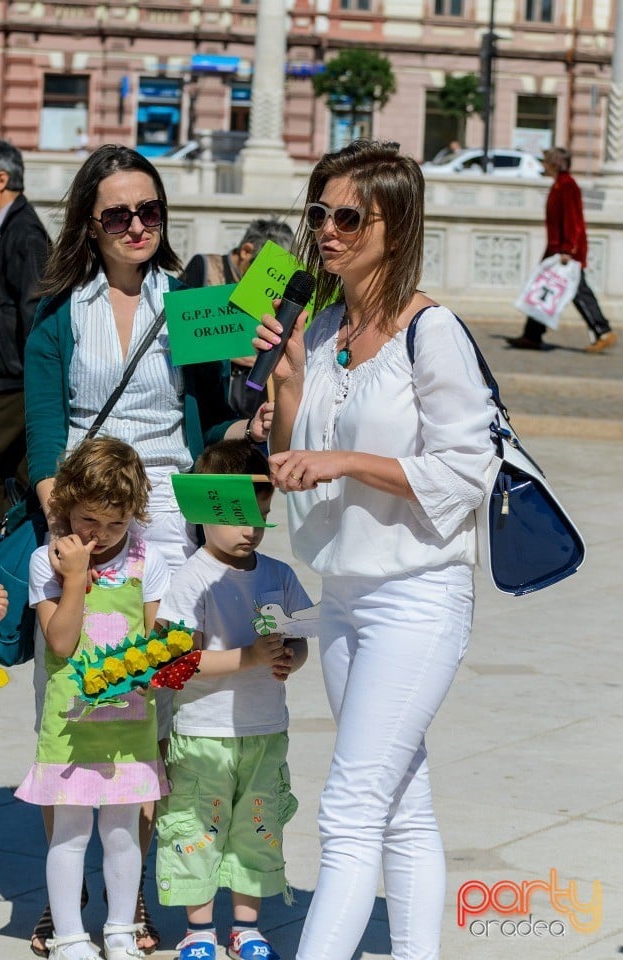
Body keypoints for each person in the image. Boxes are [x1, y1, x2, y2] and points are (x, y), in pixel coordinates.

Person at [23, 143, 271, 956]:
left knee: (164, 696)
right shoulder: (60, 315)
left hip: (166, 508)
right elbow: (45, 435)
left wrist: (255, 369)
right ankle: (68, 894)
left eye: (149, 210)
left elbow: (220, 406)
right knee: (70, 689)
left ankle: (148, 891)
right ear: (89, 227)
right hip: (88, 508)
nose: (136, 225)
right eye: (118, 215)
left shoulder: (197, 302)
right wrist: (74, 542)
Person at [253, 139, 497, 960]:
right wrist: (286, 387)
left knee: (350, 807)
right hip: (346, 594)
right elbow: (289, 461)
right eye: (319, 212)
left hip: (419, 594)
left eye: (349, 215)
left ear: (396, 225)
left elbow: (469, 470)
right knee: (400, 802)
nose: (327, 229)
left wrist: (347, 459)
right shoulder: (323, 331)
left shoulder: (433, 334)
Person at [15, 436, 171, 960]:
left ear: (134, 516)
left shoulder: (149, 561)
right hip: (70, 728)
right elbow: (60, 640)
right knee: (71, 832)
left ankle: (121, 930)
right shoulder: (47, 562)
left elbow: (155, 641)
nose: (101, 536)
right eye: (89, 522)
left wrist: (158, 664)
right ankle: (69, 936)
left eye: (116, 525)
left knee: (125, 830)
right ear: (66, 507)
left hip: (128, 723)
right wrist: (76, 575)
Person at [155, 439, 312, 960]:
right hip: (203, 732)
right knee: (196, 829)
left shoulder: (279, 575)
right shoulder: (189, 581)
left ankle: (246, 925)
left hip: (264, 730)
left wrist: (291, 655)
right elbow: (174, 666)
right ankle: (199, 929)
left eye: (263, 516)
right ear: (204, 512)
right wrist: (246, 657)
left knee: (257, 827)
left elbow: (301, 638)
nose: (252, 529)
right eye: (241, 516)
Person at [0, 138, 51, 532]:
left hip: (14, 383)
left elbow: (35, 312)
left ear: (1, 180)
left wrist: (39, 383)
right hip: (1, 379)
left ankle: (3, 547)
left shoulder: (25, 234)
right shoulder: (3, 230)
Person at [507, 146, 617, 353]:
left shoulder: (567, 186)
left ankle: (603, 330)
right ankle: (532, 335)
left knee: (578, 292)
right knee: (545, 289)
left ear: (554, 163)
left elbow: (573, 221)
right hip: (558, 250)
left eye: (546, 160)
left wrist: (568, 249)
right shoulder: (560, 185)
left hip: (567, 253)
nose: (543, 164)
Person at [182, 218, 295, 420]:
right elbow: (180, 334)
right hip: (208, 401)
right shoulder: (205, 267)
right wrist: (233, 351)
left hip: (254, 405)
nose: (266, 280)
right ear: (246, 251)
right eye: (266, 270)